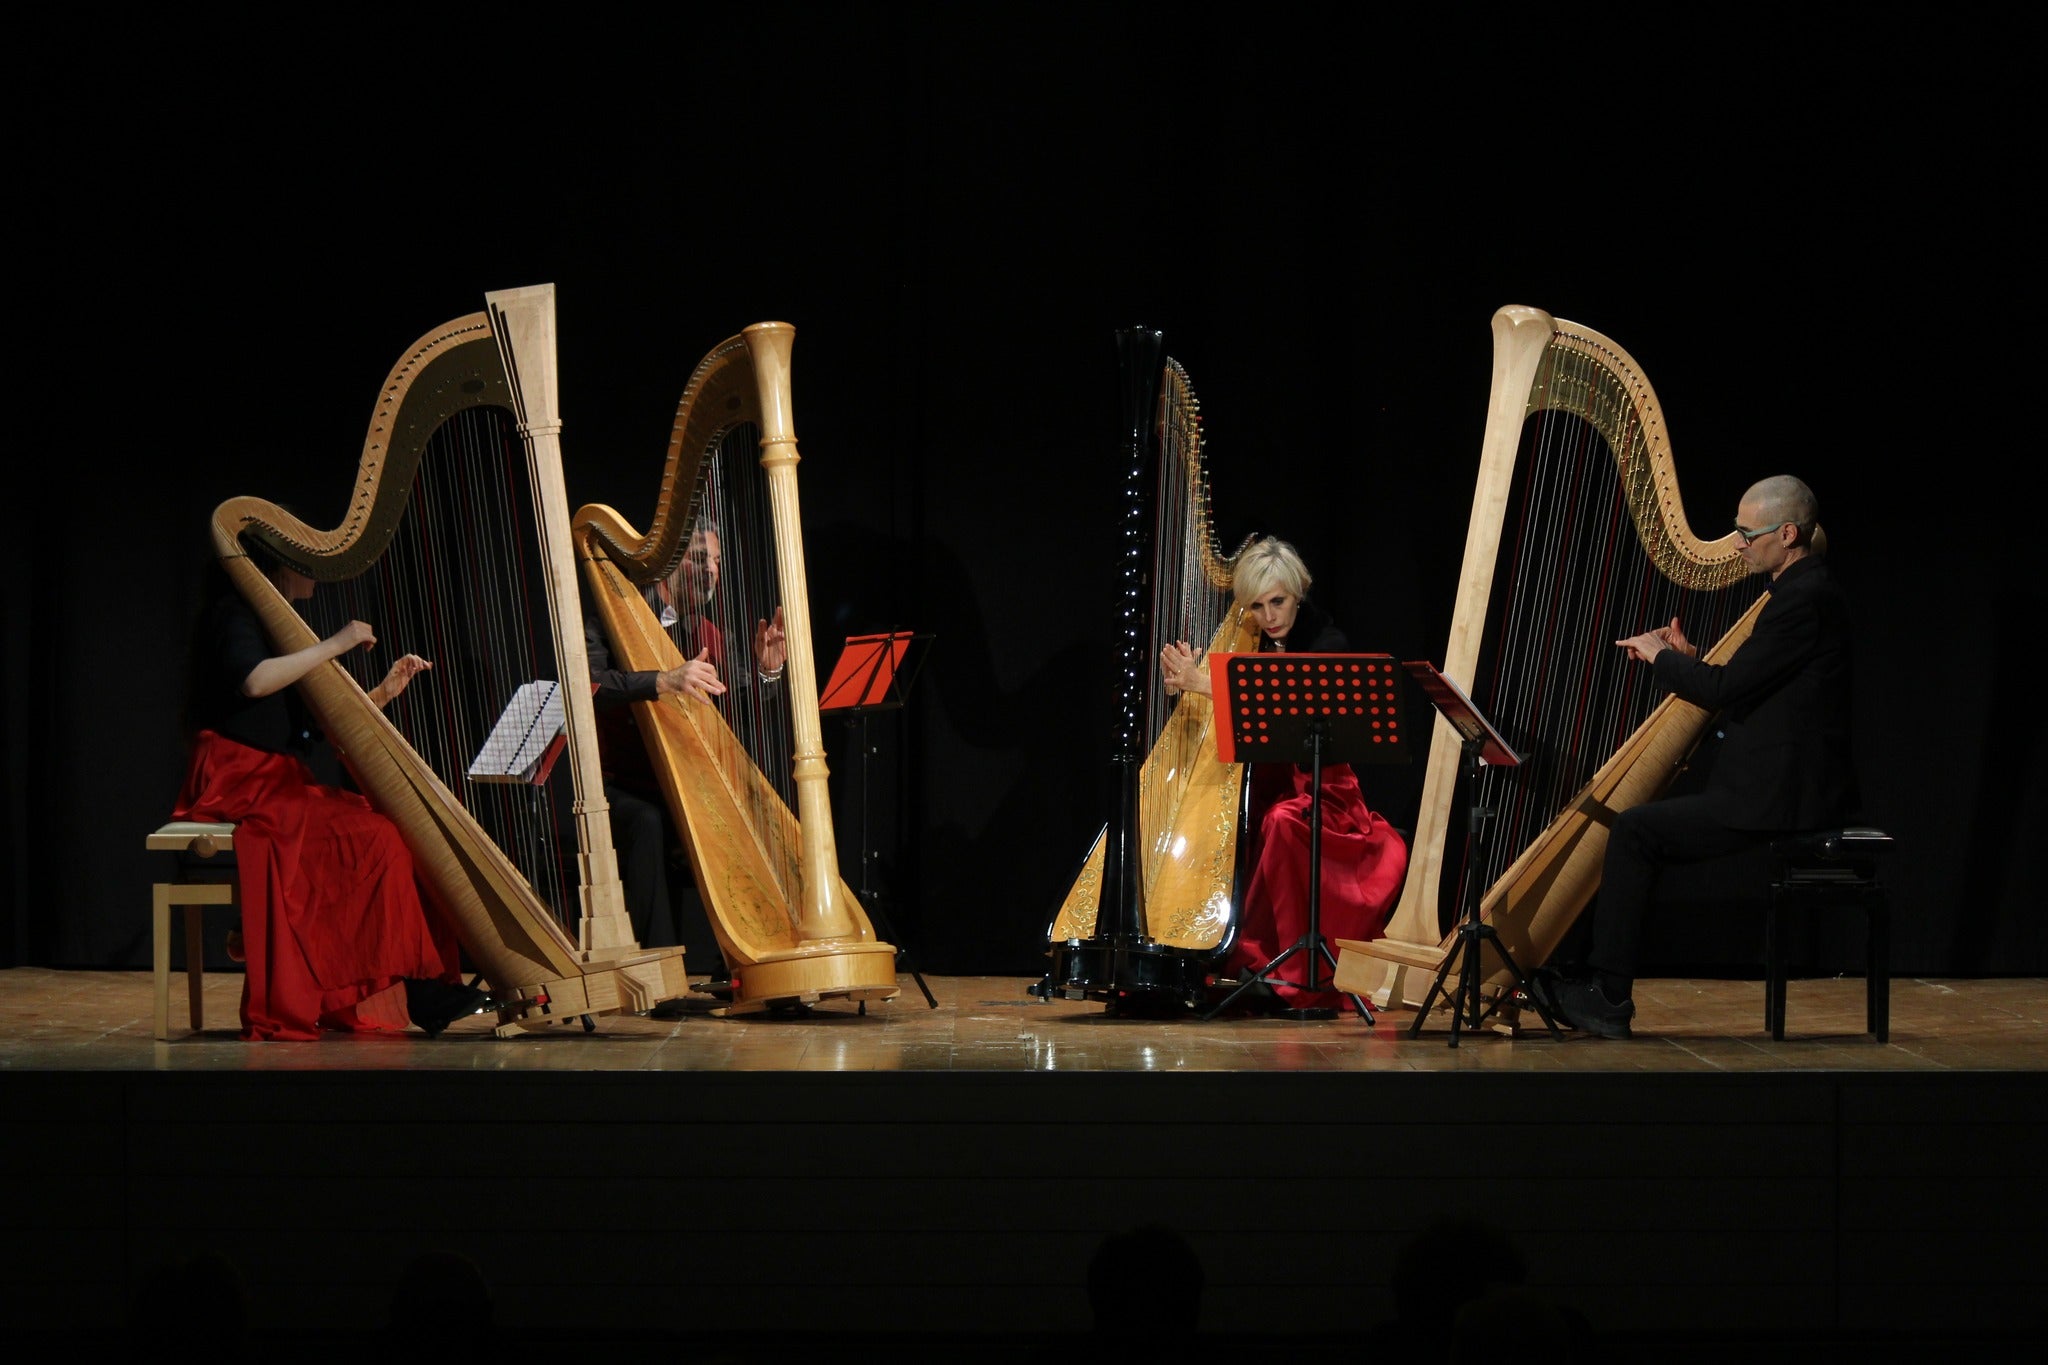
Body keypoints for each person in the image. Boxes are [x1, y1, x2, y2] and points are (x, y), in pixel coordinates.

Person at [1542, 474, 1858, 1038]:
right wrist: (1691, 660)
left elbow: (1725, 690)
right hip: (1769, 785)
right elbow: (1750, 686)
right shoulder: (1801, 594)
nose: (1737, 545)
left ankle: (1607, 995)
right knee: (1637, 830)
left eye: (1747, 534)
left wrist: (1662, 658)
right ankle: (1589, 979)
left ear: (1787, 534)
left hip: (1781, 797)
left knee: (1635, 831)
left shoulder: (1803, 601)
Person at [174, 542, 482, 1040]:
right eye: (308, 565)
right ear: (279, 565)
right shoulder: (235, 614)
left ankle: (424, 984)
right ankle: (421, 990)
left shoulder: (280, 622)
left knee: (395, 828)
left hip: (279, 780)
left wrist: (383, 692)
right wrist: (336, 643)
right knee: (374, 839)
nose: (318, 576)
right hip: (240, 779)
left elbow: (314, 727)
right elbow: (254, 683)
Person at [1160, 536, 1408, 1010]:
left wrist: (1203, 682)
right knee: (1238, 823)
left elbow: (1279, 698)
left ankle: (1299, 972)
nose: (1269, 616)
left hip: (1324, 792)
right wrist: (1187, 687)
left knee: (1281, 823)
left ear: (1298, 593)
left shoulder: (1327, 644)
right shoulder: (1255, 641)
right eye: (1256, 606)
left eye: (1278, 602)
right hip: (1274, 785)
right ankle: (1234, 954)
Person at [584, 523, 784, 964]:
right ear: (668, 566)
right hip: (621, 785)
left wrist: (767, 672)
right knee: (649, 821)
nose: (710, 570)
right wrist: (661, 680)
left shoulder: (712, 633)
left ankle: (748, 964)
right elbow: (590, 684)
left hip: (686, 784)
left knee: (750, 816)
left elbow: (739, 705)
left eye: (716, 561)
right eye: (698, 558)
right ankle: (662, 969)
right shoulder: (615, 616)